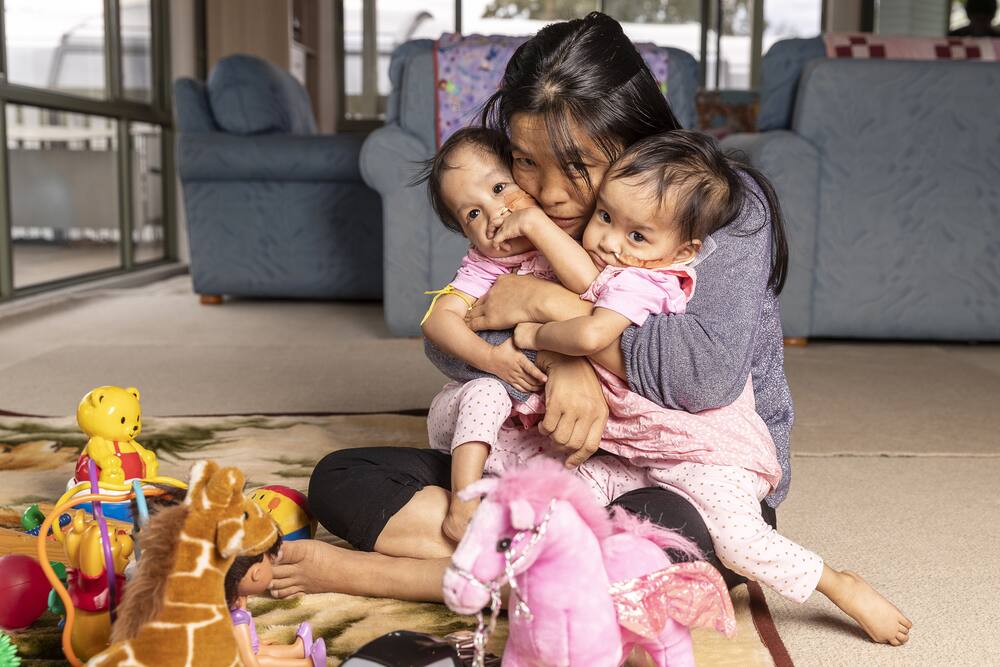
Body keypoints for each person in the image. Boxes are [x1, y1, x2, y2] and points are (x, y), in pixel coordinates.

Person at [275, 12, 910, 646]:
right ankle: (533, 564)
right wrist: (566, 363)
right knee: (343, 478)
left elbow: (701, 378)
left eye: (576, 167)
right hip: (564, 463)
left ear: (633, 134)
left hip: (690, 474)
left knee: (643, 551)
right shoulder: (519, 205)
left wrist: (547, 307)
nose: (549, 194)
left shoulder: (709, 202)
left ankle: (393, 574)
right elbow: (453, 349)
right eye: (526, 161)